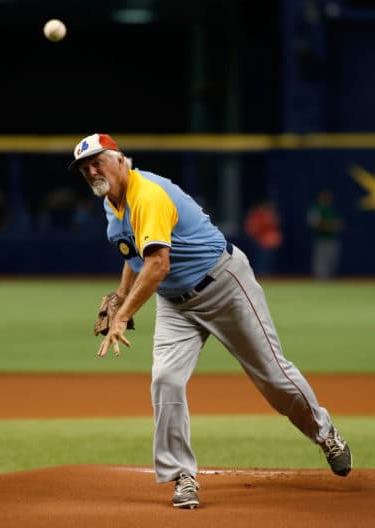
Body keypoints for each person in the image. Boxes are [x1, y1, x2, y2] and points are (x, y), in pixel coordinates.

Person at [68, 133, 352, 509]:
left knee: (273, 377)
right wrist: (120, 295)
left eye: (98, 161)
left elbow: (157, 264)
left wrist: (123, 315)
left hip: (223, 284)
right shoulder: (111, 202)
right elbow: (133, 255)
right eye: (85, 167)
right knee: (165, 380)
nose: (92, 171)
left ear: (120, 159)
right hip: (175, 302)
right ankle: (182, 476)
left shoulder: (147, 195)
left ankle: (324, 431)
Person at [307, 189, 343, 279]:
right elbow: (314, 224)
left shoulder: (330, 209)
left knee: (332, 262)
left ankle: (329, 281)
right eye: (325, 196)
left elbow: (338, 224)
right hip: (321, 239)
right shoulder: (316, 208)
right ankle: (320, 281)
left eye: (328, 197)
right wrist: (328, 225)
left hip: (332, 239)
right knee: (321, 263)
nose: (327, 199)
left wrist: (333, 225)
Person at [243, 199, 283, 276]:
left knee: (269, 265)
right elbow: (251, 229)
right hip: (261, 243)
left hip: (270, 243)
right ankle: (262, 275)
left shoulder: (270, 214)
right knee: (262, 265)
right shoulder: (257, 214)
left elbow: (275, 224)